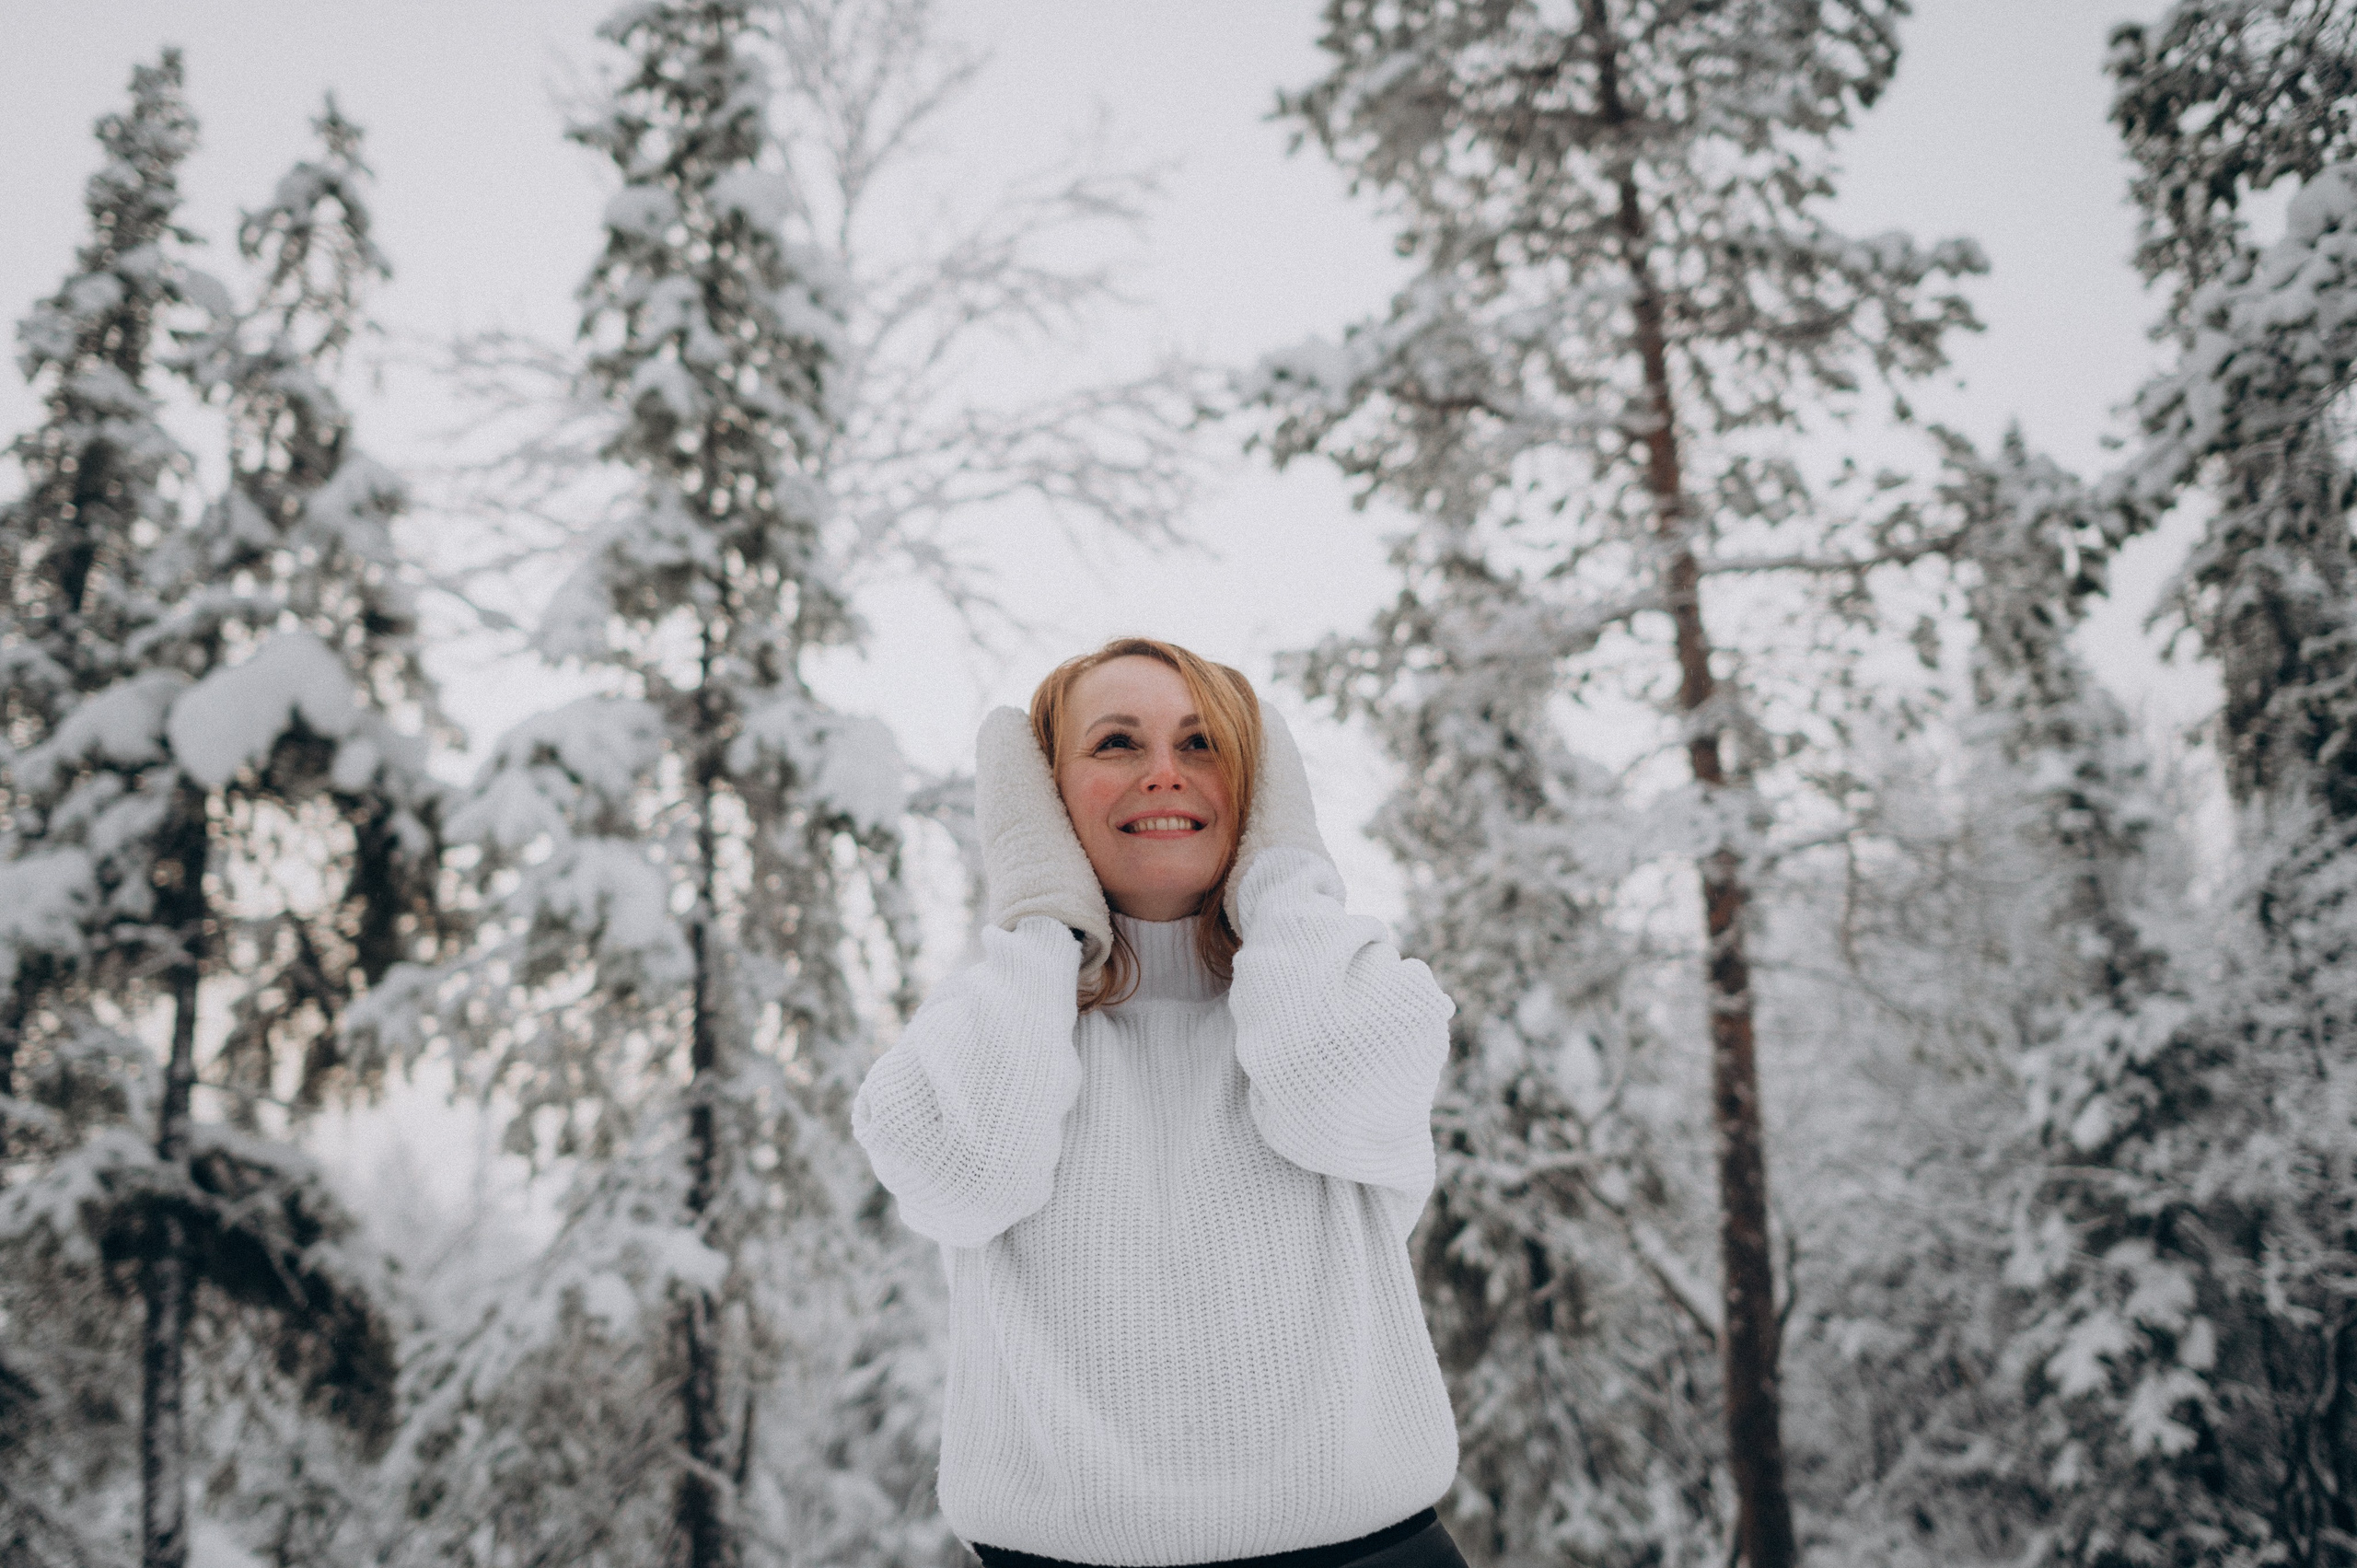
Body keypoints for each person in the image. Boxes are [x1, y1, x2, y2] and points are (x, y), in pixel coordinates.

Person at [851, 637, 1466, 1568]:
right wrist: (1038, 915)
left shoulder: (1351, 988)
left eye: (1203, 744)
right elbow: (966, 1179)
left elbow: (1326, 1094)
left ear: (1257, 789)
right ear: (1044, 798)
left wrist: (1283, 868)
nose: (1164, 774)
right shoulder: (986, 1022)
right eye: (1116, 744)